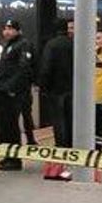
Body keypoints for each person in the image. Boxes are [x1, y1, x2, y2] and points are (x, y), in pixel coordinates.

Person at [0, 19, 35, 170]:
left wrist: (11, 87)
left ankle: (15, 160)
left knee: (12, 126)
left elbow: (24, 69)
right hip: (3, 91)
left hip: (13, 93)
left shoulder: (23, 45)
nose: (7, 31)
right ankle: (8, 156)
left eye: (10, 29)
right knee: (5, 126)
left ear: (18, 31)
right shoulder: (8, 45)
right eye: (5, 28)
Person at [37, 18, 75, 147]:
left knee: (58, 120)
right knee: (70, 119)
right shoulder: (73, 44)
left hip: (55, 90)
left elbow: (46, 68)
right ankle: (70, 144)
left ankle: (61, 145)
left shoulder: (51, 45)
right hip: (72, 89)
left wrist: (43, 86)